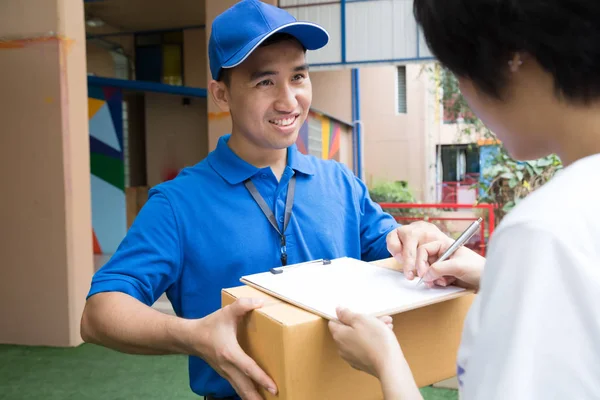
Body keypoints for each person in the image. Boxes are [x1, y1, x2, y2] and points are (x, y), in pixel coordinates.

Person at [80, 1, 446, 399]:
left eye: (299, 76)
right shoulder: (178, 202)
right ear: (222, 95)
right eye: (265, 82)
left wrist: (416, 239)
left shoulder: (340, 183)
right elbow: (99, 313)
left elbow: (394, 252)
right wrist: (192, 335)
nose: (289, 101)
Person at [329, 0, 600, 398]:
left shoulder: (543, 233)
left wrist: (386, 361)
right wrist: (495, 275)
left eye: (456, 70)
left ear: (510, 57)